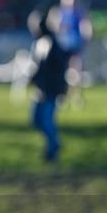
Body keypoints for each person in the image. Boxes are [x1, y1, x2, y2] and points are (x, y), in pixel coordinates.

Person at [28, 9, 73, 162]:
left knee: (46, 120)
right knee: (37, 119)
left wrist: (60, 88)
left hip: (50, 89)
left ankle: (53, 148)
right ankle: (52, 145)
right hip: (42, 89)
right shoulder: (41, 42)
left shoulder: (51, 42)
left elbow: (55, 68)